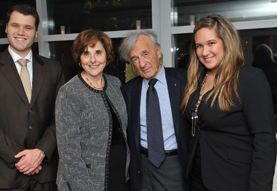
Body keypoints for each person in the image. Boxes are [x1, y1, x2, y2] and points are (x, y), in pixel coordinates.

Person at [180, 14, 276, 191]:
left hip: (233, 180)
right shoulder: (197, 78)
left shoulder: (249, 79)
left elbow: (265, 140)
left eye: (211, 43)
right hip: (197, 178)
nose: (204, 52)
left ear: (227, 42)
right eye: (199, 46)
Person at [0, 4, 64, 191]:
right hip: (3, 177)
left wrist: (41, 152)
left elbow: (62, 117)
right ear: (6, 27)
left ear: (36, 32)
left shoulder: (53, 69)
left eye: (28, 27)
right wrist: (23, 159)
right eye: (15, 25)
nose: (21, 32)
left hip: (45, 175)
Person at [55, 29, 130, 191]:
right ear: (79, 58)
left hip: (120, 177)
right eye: (86, 54)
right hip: (87, 181)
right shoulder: (69, 92)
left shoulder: (115, 83)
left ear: (107, 56)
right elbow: (69, 154)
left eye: (98, 52)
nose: (93, 60)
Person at [119, 31, 190, 191]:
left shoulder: (184, 80)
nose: (142, 63)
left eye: (145, 54)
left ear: (158, 51)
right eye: (135, 59)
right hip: (141, 166)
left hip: (173, 163)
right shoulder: (128, 91)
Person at [252, 44, 277, 116]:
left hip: (259, 99)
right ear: (269, 53)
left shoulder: (253, 68)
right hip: (274, 96)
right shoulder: (274, 66)